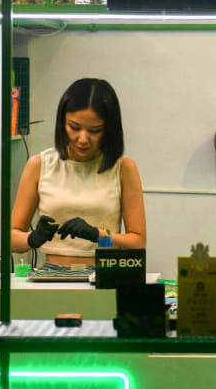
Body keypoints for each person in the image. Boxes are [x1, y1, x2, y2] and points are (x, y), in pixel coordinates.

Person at [11, 78, 146, 267]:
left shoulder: (123, 169)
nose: (83, 139)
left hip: (103, 273)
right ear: (62, 123)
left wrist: (99, 235)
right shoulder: (39, 165)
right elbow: (11, 238)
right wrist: (32, 238)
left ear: (109, 130)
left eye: (95, 131)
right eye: (74, 127)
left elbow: (138, 242)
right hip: (52, 274)